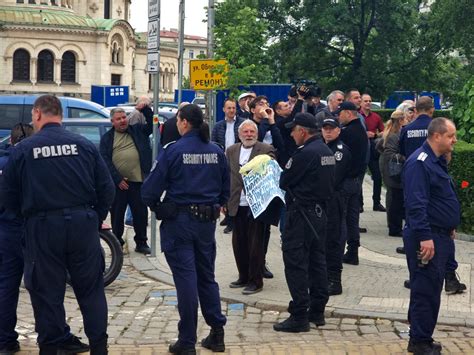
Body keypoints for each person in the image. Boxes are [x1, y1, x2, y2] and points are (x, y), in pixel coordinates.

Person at [2, 95, 115, 354]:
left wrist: (28, 219)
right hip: (82, 225)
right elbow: (107, 188)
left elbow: (7, 196)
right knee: (90, 290)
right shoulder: (83, 145)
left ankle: (51, 347)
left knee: (47, 293)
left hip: (42, 228)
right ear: (60, 115)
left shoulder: (23, 149)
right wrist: (94, 218)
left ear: (38, 114)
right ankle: (99, 347)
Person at [141, 104, 229, 355]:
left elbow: (149, 190)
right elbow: (226, 187)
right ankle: (217, 332)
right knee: (206, 277)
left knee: (187, 281)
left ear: (183, 122)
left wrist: (158, 206)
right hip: (206, 224)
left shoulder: (173, 150)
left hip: (180, 223)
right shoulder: (216, 151)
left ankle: (187, 341)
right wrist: (215, 204)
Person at [402, 118, 460, 355]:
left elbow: (439, 197)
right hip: (428, 237)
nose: (454, 140)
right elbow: (416, 205)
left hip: (440, 235)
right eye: (451, 135)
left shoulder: (436, 161)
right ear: (437, 136)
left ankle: (422, 335)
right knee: (425, 290)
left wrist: (450, 225)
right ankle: (419, 341)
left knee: (431, 288)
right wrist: (426, 236)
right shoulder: (420, 163)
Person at [274, 113, 335, 332]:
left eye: (293, 130)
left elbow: (284, 180)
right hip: (319, 214)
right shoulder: (326, 151)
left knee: (296, 264)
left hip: (301, 215)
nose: (291, 134)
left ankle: (299, 315)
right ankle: (317, 311)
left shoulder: (305, 153)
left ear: (302, 131)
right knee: (317, 261)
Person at [225, 120, 276, 295]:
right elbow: (227, 176)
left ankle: (256, 280)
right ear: (240, 135)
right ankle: (243, 276)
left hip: (257, 204)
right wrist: (225, 201)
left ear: (256, 133)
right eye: (245, 132)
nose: (248, 134)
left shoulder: (266, 149)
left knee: (256, 244)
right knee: (239, 243)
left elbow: (272, 172)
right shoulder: (231, 151)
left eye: (251, 131)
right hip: (237, 202)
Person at [100, 105, 153, 254]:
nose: (123, 121)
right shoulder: (107, 138)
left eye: (124, 117)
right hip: (118, 185)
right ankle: (117, 243)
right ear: (112, 121)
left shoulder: (137, 131)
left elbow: (153, 125)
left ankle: (141, 242)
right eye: (119, 119)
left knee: (140, 214)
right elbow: (104, 160)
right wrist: (117, 179)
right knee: (117, 215)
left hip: (137, 181)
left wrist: (146, 109)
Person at [0, 123, 34, 354]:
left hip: (4, 228)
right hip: (23, 227)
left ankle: (5, 340)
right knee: (43, 285)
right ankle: (55, 336)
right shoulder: (31, 164)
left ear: (10, 141)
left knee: (6, 286)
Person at [321, 115, 352, 296]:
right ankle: (324, 277)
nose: (328, 131)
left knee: (333, 240)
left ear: (338, 130)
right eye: (325, 128)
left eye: (331, 128)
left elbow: (333, 177)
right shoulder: (322, 147)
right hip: (323, 200)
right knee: (322, 240)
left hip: (334, 200)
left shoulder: (340, 151)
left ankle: (334, 280)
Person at [337, 102, 369, 266]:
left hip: (346, 181)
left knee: (341, 218)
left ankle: (341, 252)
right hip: (356, 181)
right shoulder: (360, 130)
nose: (338, 116)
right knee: (352, 218)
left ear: (348, 113)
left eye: (340, 113)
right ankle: (353, 251)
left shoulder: (349, 132)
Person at [211, 98, 244, 234]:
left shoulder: (242, 124)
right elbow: (213, 142)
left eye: (233, 108)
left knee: (235, 189)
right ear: (224, 109)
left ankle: (232, 221)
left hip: (238, 160)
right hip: (223, 161)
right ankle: (227, 216)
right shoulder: (218, 126)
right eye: (229, 108)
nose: (231, 110)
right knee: (224, 189)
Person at [376, 110, 407, 237]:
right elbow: (389, 153)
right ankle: (394, 228)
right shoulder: (394, 135)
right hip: (393, 170)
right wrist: (405, 158)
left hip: (388, 168)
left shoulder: (389, 133)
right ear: (400, 120)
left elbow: (378, 146)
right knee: (394, 198)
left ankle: (394, 226)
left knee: (393, 196)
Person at [360, 94, 385, 212]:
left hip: (373, 149)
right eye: (365, 101)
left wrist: (375, 135)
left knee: (378, 177)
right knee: (359, 178)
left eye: (370, 101)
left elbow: (384, 132)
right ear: (361, 102)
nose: (368, 103)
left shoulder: (376, 117)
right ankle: (359, 204)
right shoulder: (357, 116)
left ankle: (377, 202)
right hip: (361, 149)